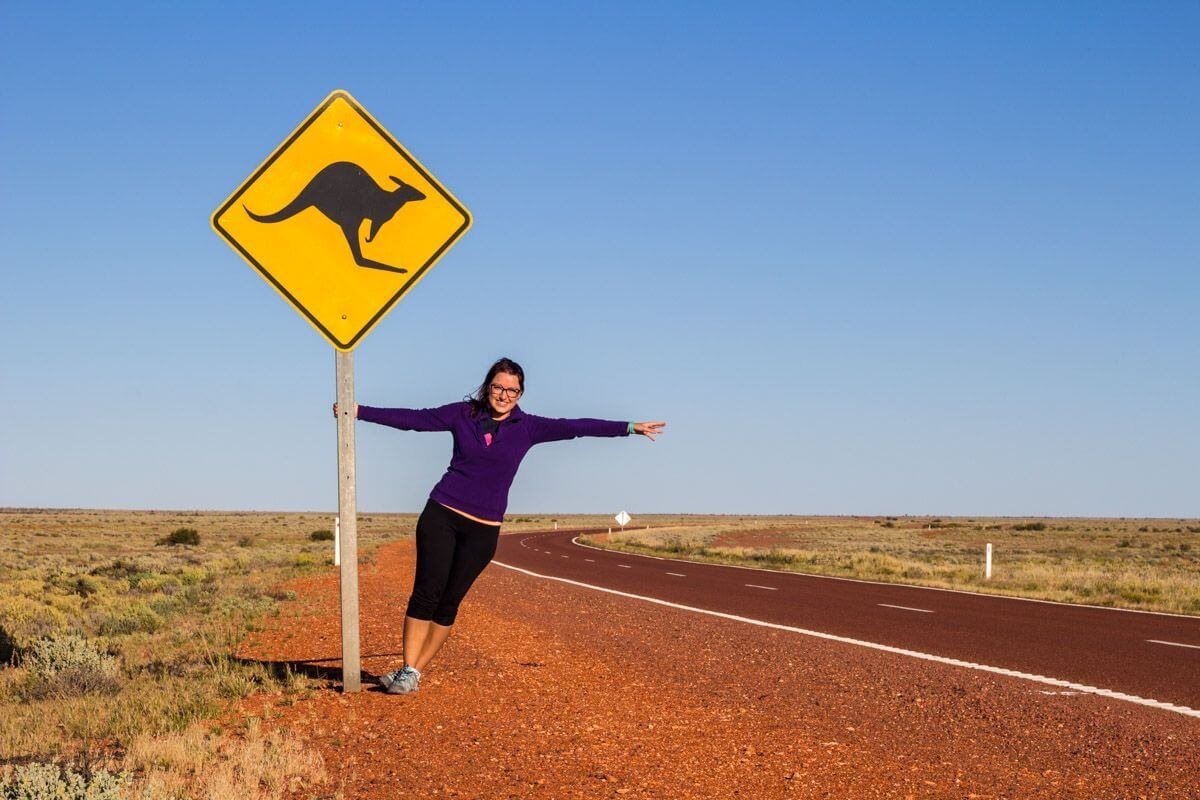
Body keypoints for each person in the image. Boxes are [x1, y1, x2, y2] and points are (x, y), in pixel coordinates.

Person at [336, 357, 665, 695]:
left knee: (450, 601)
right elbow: (416, 420)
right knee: (426, 593)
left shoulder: (529, 427)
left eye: (512, 390)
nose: (504, 395)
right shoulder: (463, 414)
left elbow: (577, 426)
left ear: (520, 394)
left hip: (484, 528)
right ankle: (408, 667)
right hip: (443, 513)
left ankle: (415, 671)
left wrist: (629, 428)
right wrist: (358, 410)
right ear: (487, 386)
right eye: (498, 387)